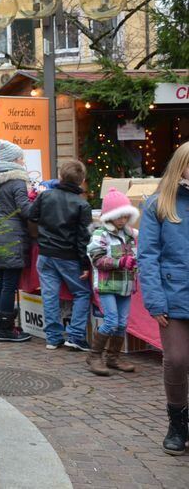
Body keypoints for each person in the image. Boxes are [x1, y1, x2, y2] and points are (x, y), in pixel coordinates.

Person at [137, 143, 189, 455]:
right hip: (174, 297)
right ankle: (177, 420)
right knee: (177, 360)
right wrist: (155, 301)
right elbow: (148, 256)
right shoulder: (159, 204)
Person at [29, 158, 93, 352]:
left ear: (60, 176)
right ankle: (75, 335)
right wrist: (84, 264)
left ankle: (53, 337)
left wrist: (42, 235)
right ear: (81, 181)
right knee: (82, 292)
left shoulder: (45, 196)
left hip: (46, 253)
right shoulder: (82, 205)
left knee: (50, 295)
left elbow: (31, 215)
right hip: (68, 256)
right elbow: (83, 238)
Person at [85, 188, 140, 376]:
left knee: (123, 323)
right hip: (107, 284)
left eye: (126, 216)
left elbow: (135, 254)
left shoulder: (131, 234)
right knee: (111, 321)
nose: (123, 220)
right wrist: (120, 262)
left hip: (125, 284)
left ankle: (113, 357)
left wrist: (136, 260)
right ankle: (94, 356)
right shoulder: (100, 234)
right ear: (110, 216)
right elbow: (96, 259)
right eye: (119, 216)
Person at [0, 139, 34, 343]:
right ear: (14, 160)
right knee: (9, 284)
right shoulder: (17, 181)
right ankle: (6, 329)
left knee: (1, 280)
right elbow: (25, 210)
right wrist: (40, 201)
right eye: (20, 157)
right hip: (13, 235)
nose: (23, 161)